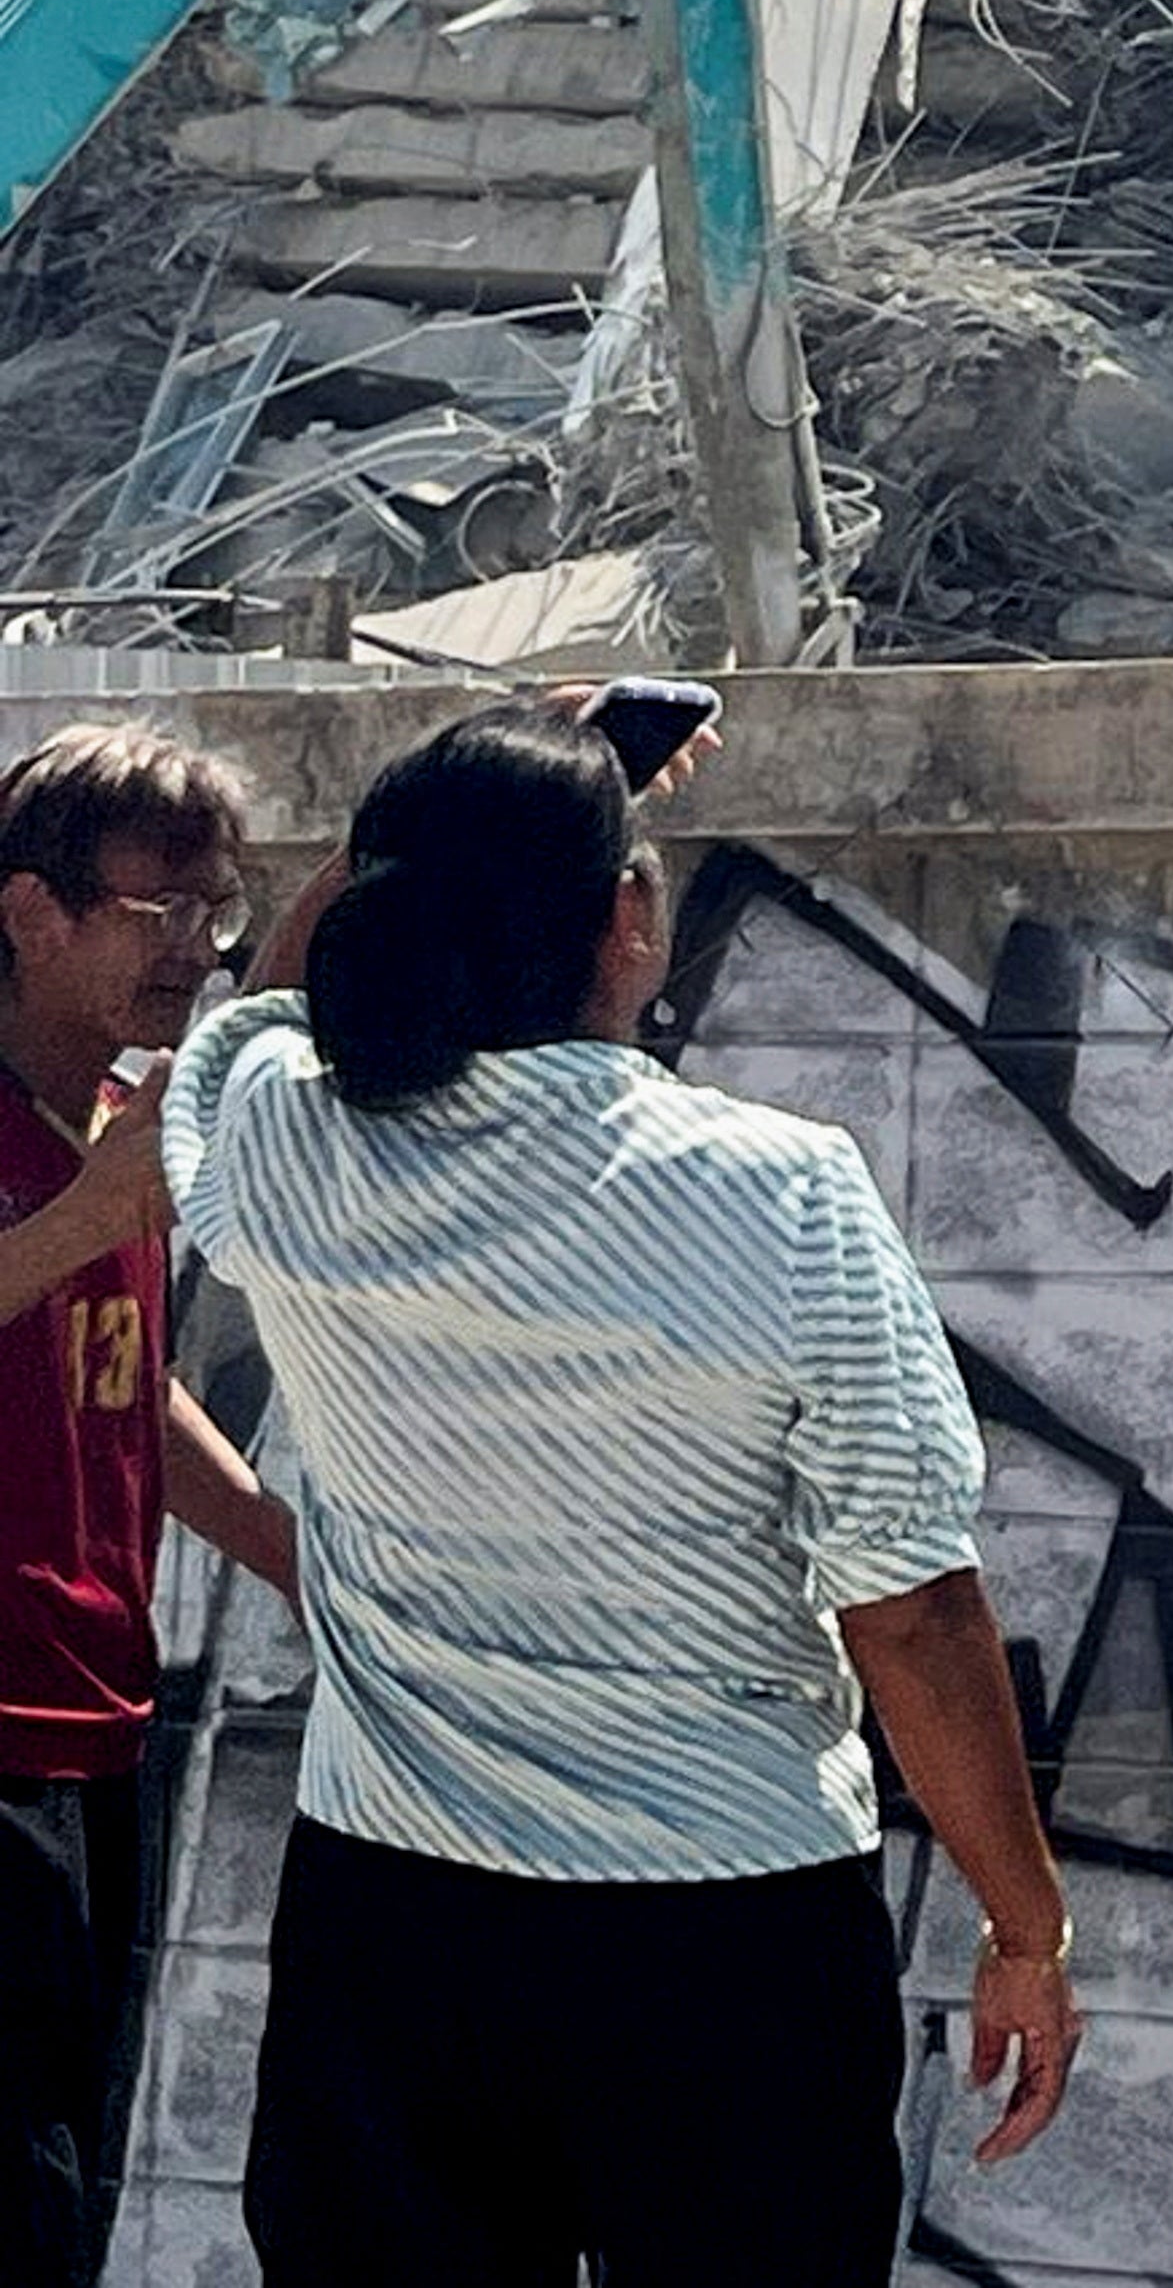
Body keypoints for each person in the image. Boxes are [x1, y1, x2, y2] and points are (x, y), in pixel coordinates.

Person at [161, 705, 1078, 2284]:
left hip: (393, 1937)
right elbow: (914, 1609)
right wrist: (1026, 1928)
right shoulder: (781, 1186)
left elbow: (252, 1018)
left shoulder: (292, 1148)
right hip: (722, 1934)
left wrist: (447, 817)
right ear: (631, 919)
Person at [0, 727, 296, 2288]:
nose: (194, 952)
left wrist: (304, 1560)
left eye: (214, 912)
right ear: (33, 910)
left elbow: (129, 1392)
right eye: (153, 912)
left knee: (66, 2179)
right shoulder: (86, 1160)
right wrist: (88, 1215)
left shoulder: (115, 1117)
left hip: (96, 1736)